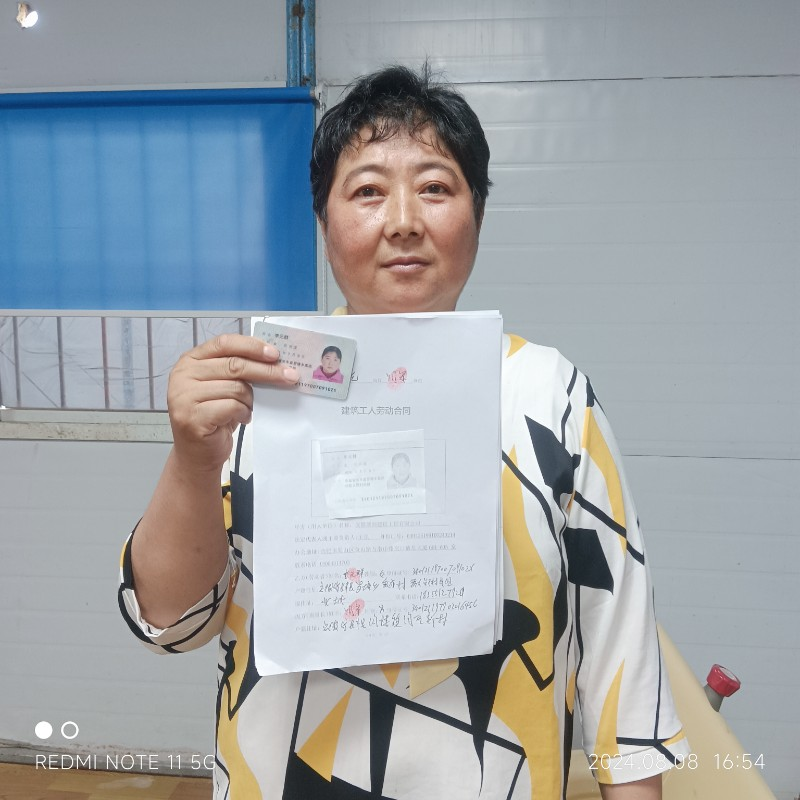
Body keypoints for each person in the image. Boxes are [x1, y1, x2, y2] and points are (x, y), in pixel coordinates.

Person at [119, 65, 689, 799]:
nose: (403, 221)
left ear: (476, 215)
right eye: (366, 191)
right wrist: (193, 460)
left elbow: (620, 655)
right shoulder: (260, 393)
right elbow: (170, 622)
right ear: (324, 222)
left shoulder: (551, 397)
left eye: (436, 187)